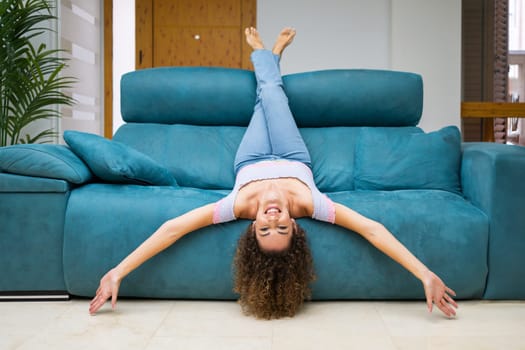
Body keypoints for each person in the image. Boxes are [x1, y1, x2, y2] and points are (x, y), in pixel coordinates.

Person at [89, 27, 458, 319]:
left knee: (263, 100)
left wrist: (118, 271)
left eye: (265, 230)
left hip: (250, 159)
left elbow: (173, 229)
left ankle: (270, 57)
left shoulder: (238, 207)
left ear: (253, 229)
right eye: (281, 228)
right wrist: (424, 274)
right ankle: (270, 59)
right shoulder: (309, 205)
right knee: (271, 95)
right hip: (292, 152)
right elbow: (372, 229)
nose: (273, 219)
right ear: (295, 228)